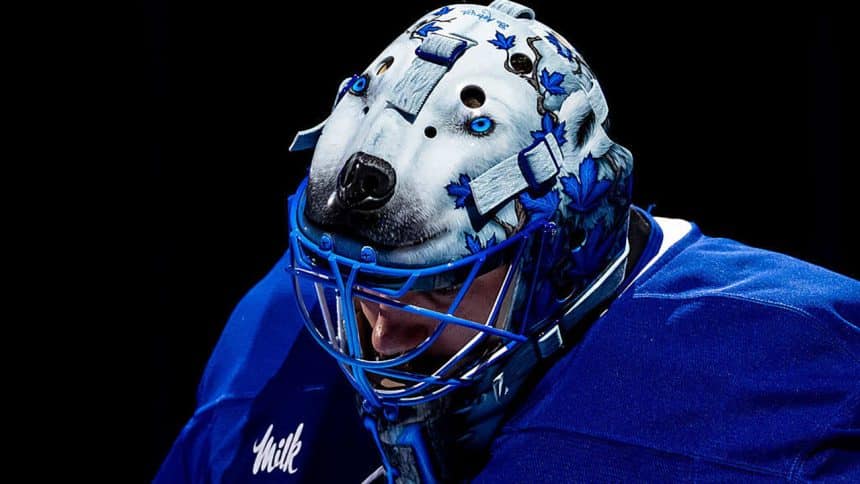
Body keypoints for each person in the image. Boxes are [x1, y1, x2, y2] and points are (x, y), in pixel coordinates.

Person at [155, 1, 859, 482]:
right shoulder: (273, 346)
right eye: (347, 281)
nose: (375, 338)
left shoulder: (791, 368)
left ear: (562, 251)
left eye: (433, 285)